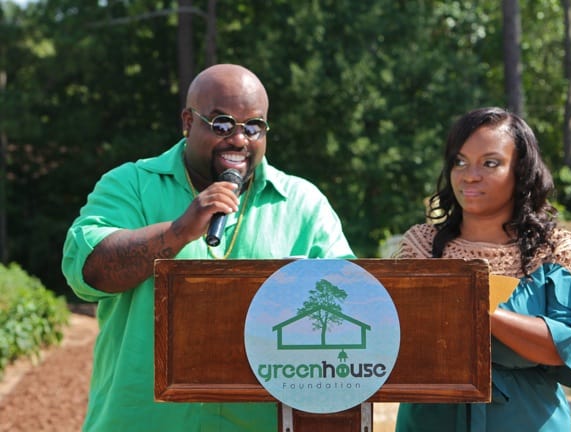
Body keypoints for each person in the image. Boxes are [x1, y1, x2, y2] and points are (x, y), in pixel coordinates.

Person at [61, 63, 355, 432]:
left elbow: (354, 304)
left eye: (254, 127)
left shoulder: (303, 205)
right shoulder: (130, 184)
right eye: (222, 124)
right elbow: (88, 270)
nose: (239, 139)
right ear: (187, 122)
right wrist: (177, 232)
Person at [393, 107, 571, 432]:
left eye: (490, 163)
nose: (470, 175)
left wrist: (478, 309)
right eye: (460, 161)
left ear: (520, 170)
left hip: (529, 421)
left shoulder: (554, 251)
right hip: (430, 421)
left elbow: (567, 347)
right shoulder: (421, 248)